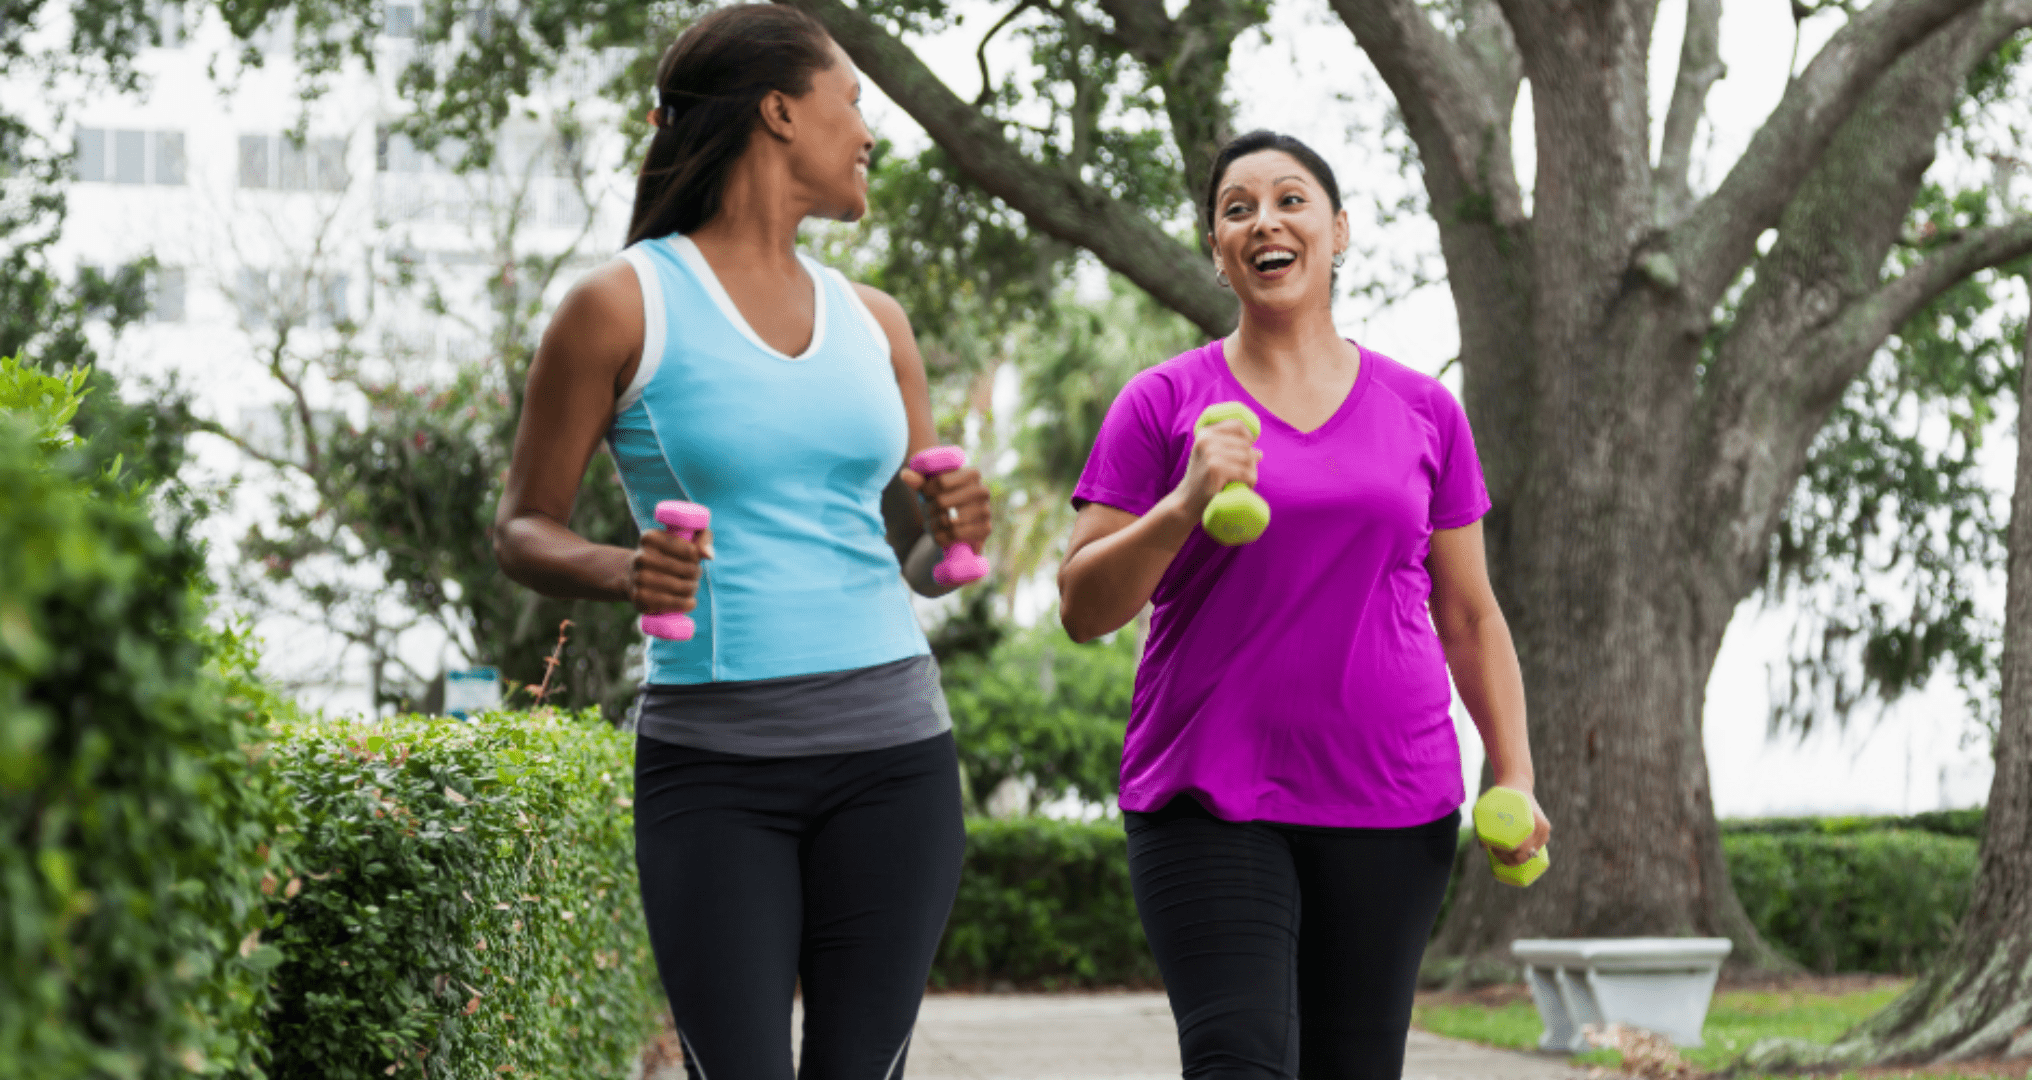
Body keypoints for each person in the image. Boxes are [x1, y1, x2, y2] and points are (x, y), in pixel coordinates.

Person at [491, 7, 990, 1076]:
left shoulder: (878, 323)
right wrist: (621, 569)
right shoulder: (622, 306)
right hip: (716, 771)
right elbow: (521, 527)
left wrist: (947, 531)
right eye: (851, 100)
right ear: (778, 111)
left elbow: (912, 558)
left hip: (895, 758)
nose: (866, 131)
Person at [1056, 130, 1549, 1079]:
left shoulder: (1423, 410)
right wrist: (1183, 504)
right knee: (1238, 1058)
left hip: (1391, 798)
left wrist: (1514, 774)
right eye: (1236, 209)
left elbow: (1471, 615)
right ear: (1216, 249)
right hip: (1209, 788)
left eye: (1290, 200)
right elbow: (1083, 606)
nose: (1263, 221)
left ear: (1339, 230)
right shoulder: (1164, 403)